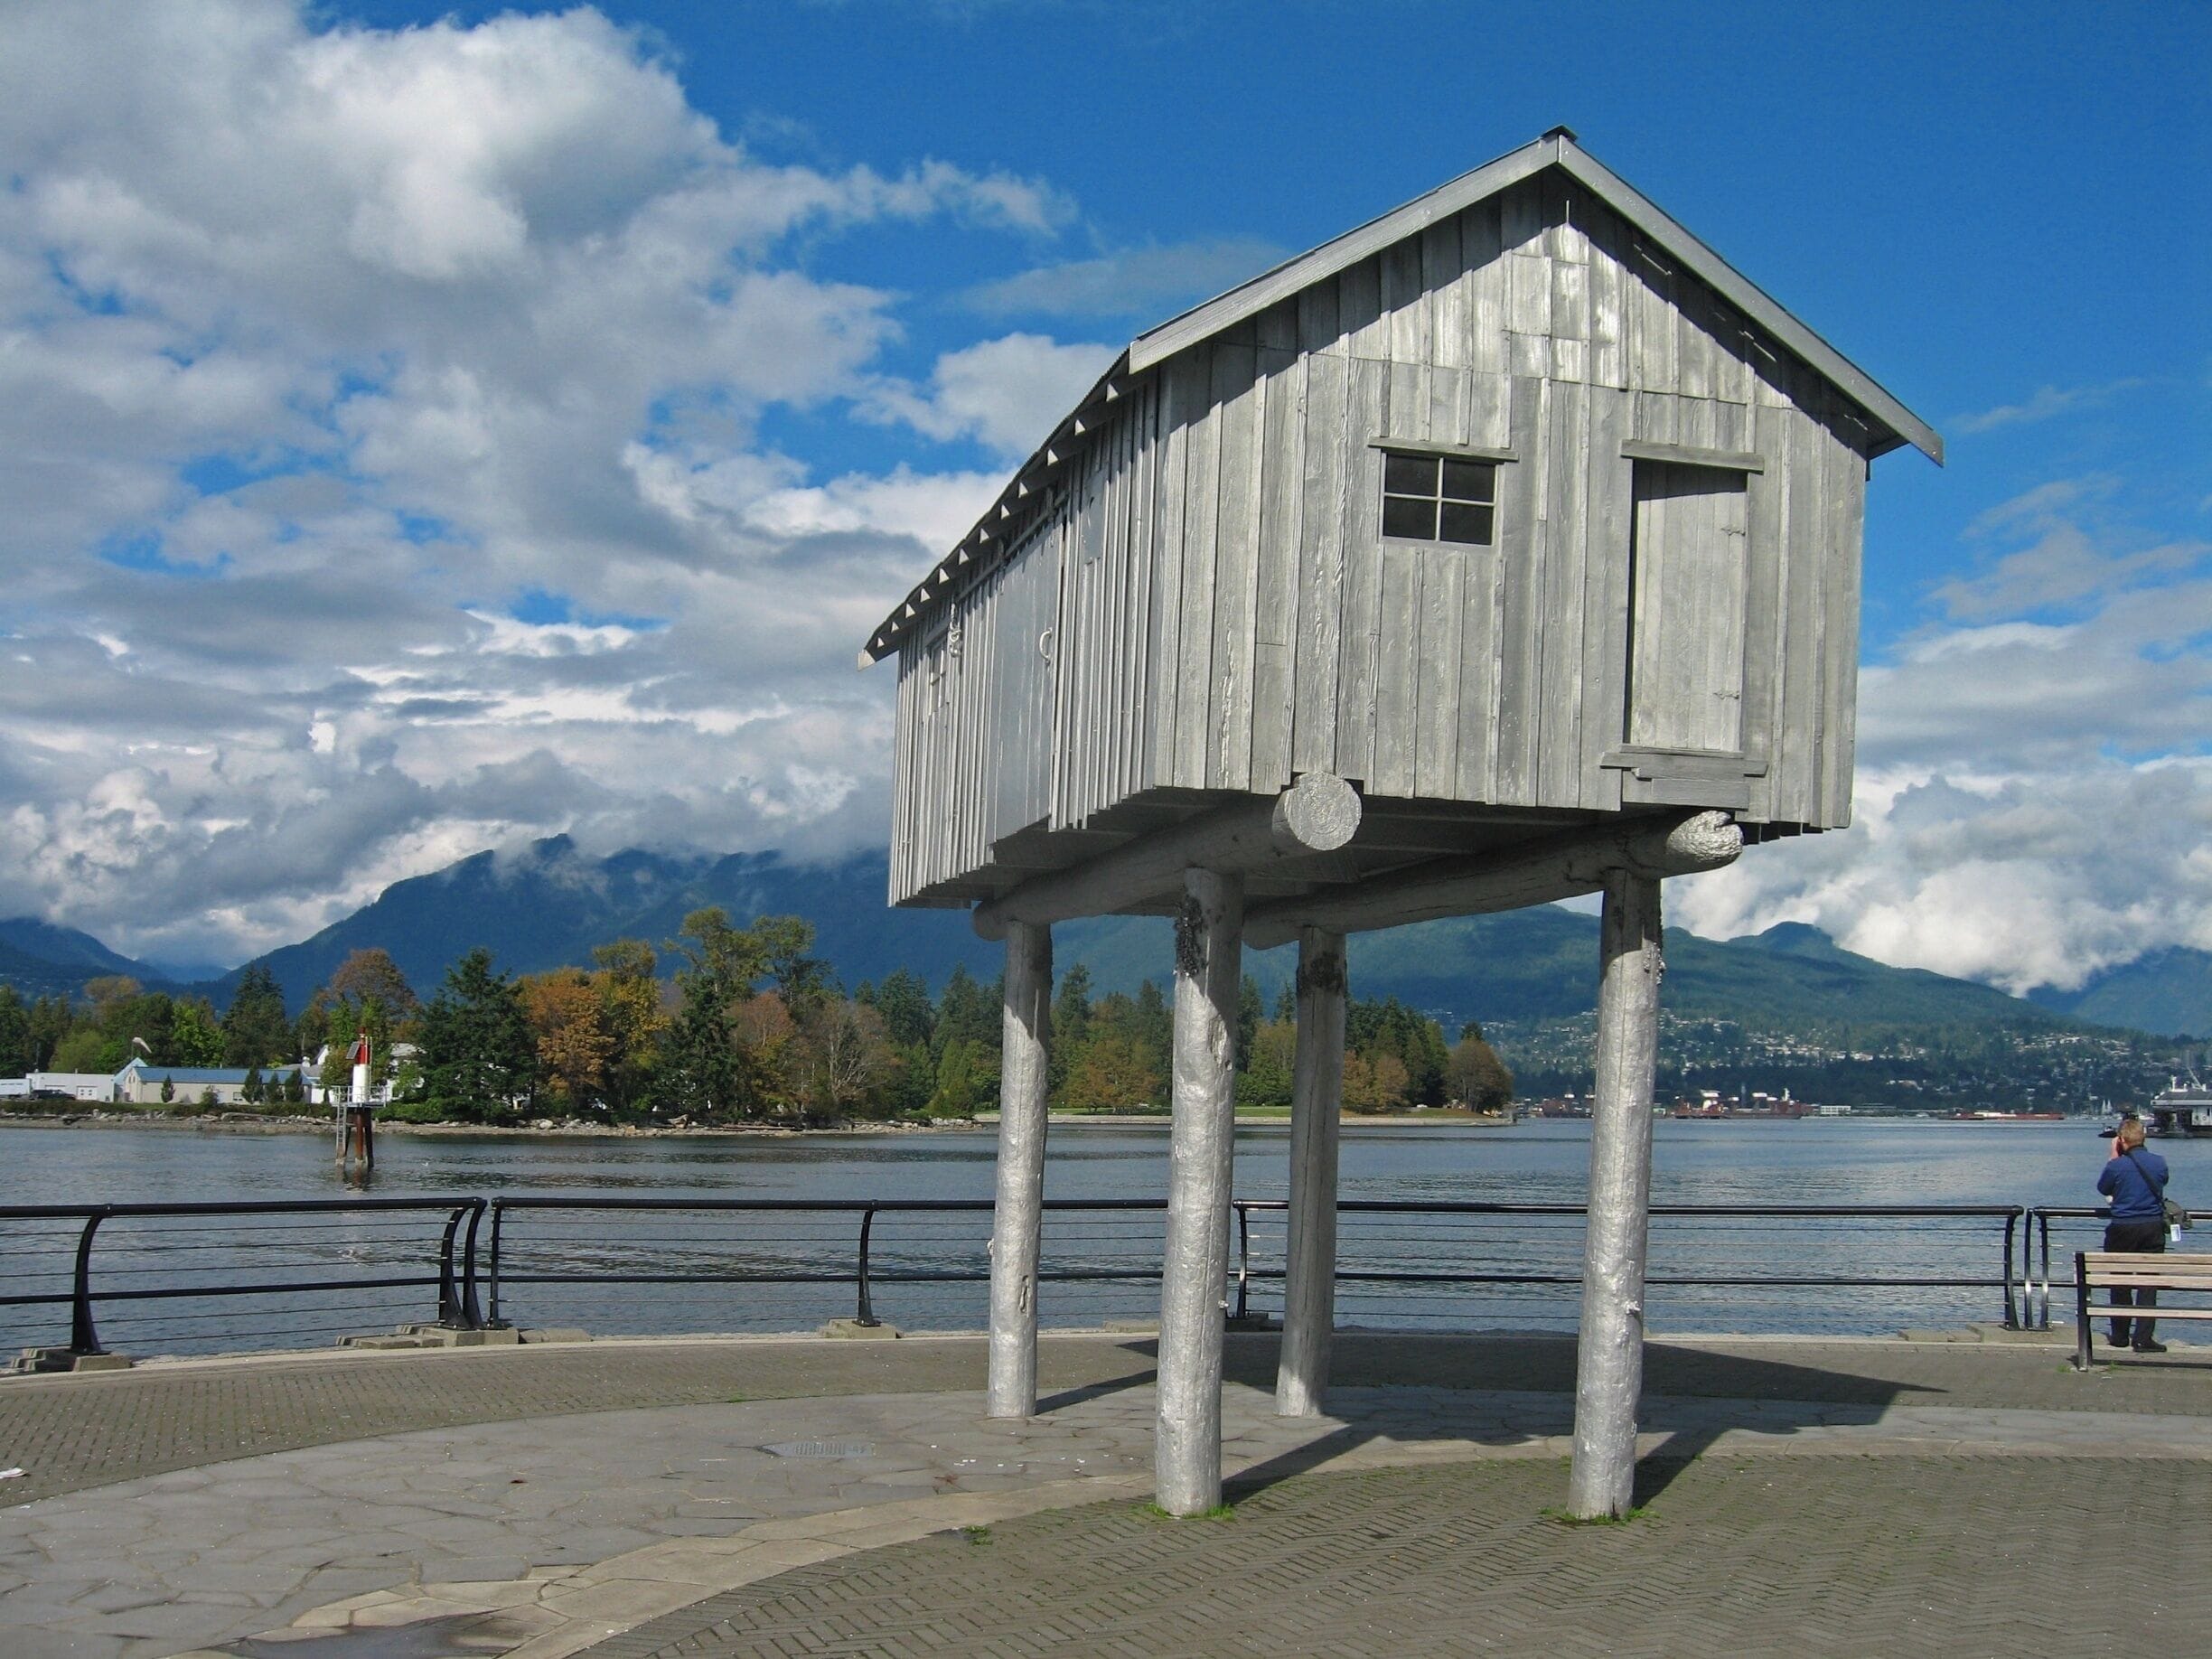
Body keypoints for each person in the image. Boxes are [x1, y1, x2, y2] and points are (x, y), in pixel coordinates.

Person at [2095, 1115, 2171, 1354]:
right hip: (2151, 1227)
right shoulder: (2159, 1162)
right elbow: (2163, 1182)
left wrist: (2114, 1156)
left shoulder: (2116, 1166)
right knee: (2148, 1284)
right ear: (2144, 1137)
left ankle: (2120, 1334)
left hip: (2122, 1228)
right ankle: (2144, 1337)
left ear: (2121, 1140)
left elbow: (2103, 1188)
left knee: (2120, 1282)